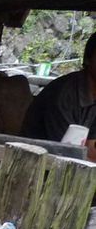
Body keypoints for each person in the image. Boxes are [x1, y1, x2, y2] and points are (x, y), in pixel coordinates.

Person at [20, 31, 96, 162]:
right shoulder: (64, 96)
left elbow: (91, 146)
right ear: (88, 59)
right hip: (36, 162)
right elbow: (66, 154)